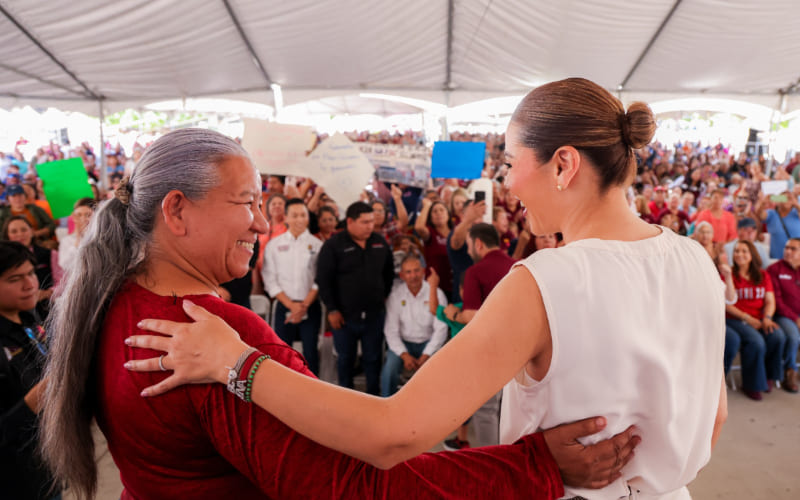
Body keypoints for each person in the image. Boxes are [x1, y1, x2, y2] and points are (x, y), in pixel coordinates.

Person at [127, 79, 723, 500]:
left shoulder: (548, 280)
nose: (507, 184)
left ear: (564, 165)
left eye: (512, 162)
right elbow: (712, 419)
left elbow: (395, 434)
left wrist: (238, 362)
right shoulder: (695, 260)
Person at [40, 128, 637, 500]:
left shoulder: (110, 302)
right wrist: (531, 468)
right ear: (176, 210)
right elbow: (355, 482)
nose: (260, 221)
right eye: (246, 202)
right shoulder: (210, 340)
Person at [443, 223, 515, 448]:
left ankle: (492, 460)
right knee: (512, 407)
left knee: (486, 410)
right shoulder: (517, 265)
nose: (467, 251)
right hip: (521, 345)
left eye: (468, 245)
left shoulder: (476, 271)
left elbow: (472, 316)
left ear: (478, 243)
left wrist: (453, 313)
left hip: (492, 348)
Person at [0, 241, 59, 500]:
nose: (30, 284)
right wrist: (44, 392)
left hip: (48, 468)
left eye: (31, 274)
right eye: (15, 279)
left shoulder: (30, 319)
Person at [315, 201, 393, 395]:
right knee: (346, 359)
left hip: (374, 315)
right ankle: (346, 401)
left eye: (372, 221)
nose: (370, 226)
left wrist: (381, 296)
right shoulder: (333, 246)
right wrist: (332, 309)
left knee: (373, 359)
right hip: (343, 317)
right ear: (350, 221)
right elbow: (323, 281)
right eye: (365, 222)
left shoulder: (379, 243)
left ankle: (374, 400)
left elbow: (388, 274)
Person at [262, 198, 323, 376]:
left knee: (311, 353)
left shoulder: (318, 245)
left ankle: (314, 393)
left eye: (303, 215)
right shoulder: (274, 245)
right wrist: (291, 305)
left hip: (309, 306)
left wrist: (303, 306)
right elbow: (270, 278)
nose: (299, 219)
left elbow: (319, 279)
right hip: (284, 305)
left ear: (308, 218)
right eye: (294, 215)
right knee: (281, 353)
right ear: (286, 218)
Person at [725, 240, 787, 400]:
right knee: (756, 342)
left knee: (777, 336)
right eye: (737, 251)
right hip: (735, 319)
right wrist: (747, 318)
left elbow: (770, 301)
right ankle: (751, 384)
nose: (739, 254)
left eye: (744, 251)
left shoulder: (762, 275)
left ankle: (768, 376)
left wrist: (767, 317)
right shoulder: (728, 274)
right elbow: (726, 304)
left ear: (752, 254)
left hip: (759, 318)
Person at [381, 254, 448, 397]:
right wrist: (404, 355)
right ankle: (386, 405)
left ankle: (437, 407)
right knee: (389, 371)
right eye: (408, 272)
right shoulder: (395, 295)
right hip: (403, 344)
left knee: (440, 372)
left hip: (429, 343)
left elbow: (441, 329)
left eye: (417, 271)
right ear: (402, 275)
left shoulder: (436, 292)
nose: (413, 276)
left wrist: (427, 354)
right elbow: (391, 331)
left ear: (424, 271)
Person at [766, 238, 800, 393]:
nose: (788, 251)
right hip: (783, 315)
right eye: (787, 247)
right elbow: (777, 301)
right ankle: (790, 372)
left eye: (793, 249)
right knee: (793, 336)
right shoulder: (774, 269)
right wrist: (796, 318)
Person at [3, 216, 55, 317]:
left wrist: (46, 293)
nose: (20, 235)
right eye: (14, 231)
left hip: (46, 308)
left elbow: (62, 282)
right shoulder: (3, 261)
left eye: (24, 230)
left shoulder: (50, 254)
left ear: (32, 231)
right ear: (7, 235)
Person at [414, 198, 454, 298]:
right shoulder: (430, 233)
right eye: (434, 211)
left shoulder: (455, 233)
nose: (438, 213)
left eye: (441, 210)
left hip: (455, 285)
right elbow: (419, 227)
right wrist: (427, 205)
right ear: (430, 217)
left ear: (448, 214)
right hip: (435, 287)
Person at [756, 191, 800, 259]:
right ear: (778, 201)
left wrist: (795, 203)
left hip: (796, 256)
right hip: (777, 257)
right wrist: (762, 203)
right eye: (783, 198)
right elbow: (760, 215)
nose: (786, 200)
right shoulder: (771, 213)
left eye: (789, 198)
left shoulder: (796, 212)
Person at [57, 198, 96, 272]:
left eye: (88, 215)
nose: (83, 219)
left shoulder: (100, 237)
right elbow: (65, 265)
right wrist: (78, 241)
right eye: (79, 215)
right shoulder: (66, 240)